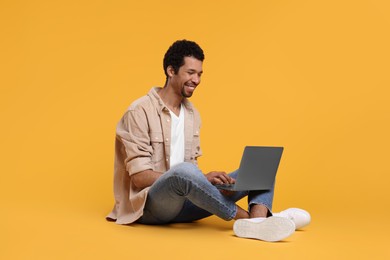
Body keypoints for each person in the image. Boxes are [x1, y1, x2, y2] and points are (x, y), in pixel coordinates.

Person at [106, 39, 310, 242]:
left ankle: (258, 226)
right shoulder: (139, 111)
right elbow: (140, 177)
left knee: (262, 168)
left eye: (200, 74)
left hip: (185, 203)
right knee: (185, 171)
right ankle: (256, 220)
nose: (196, 80)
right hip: (150, 207)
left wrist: (205, 181)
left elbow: (191, 175)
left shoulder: (192, 114)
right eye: (190, 72)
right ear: (171, 71)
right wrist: (198, 177)